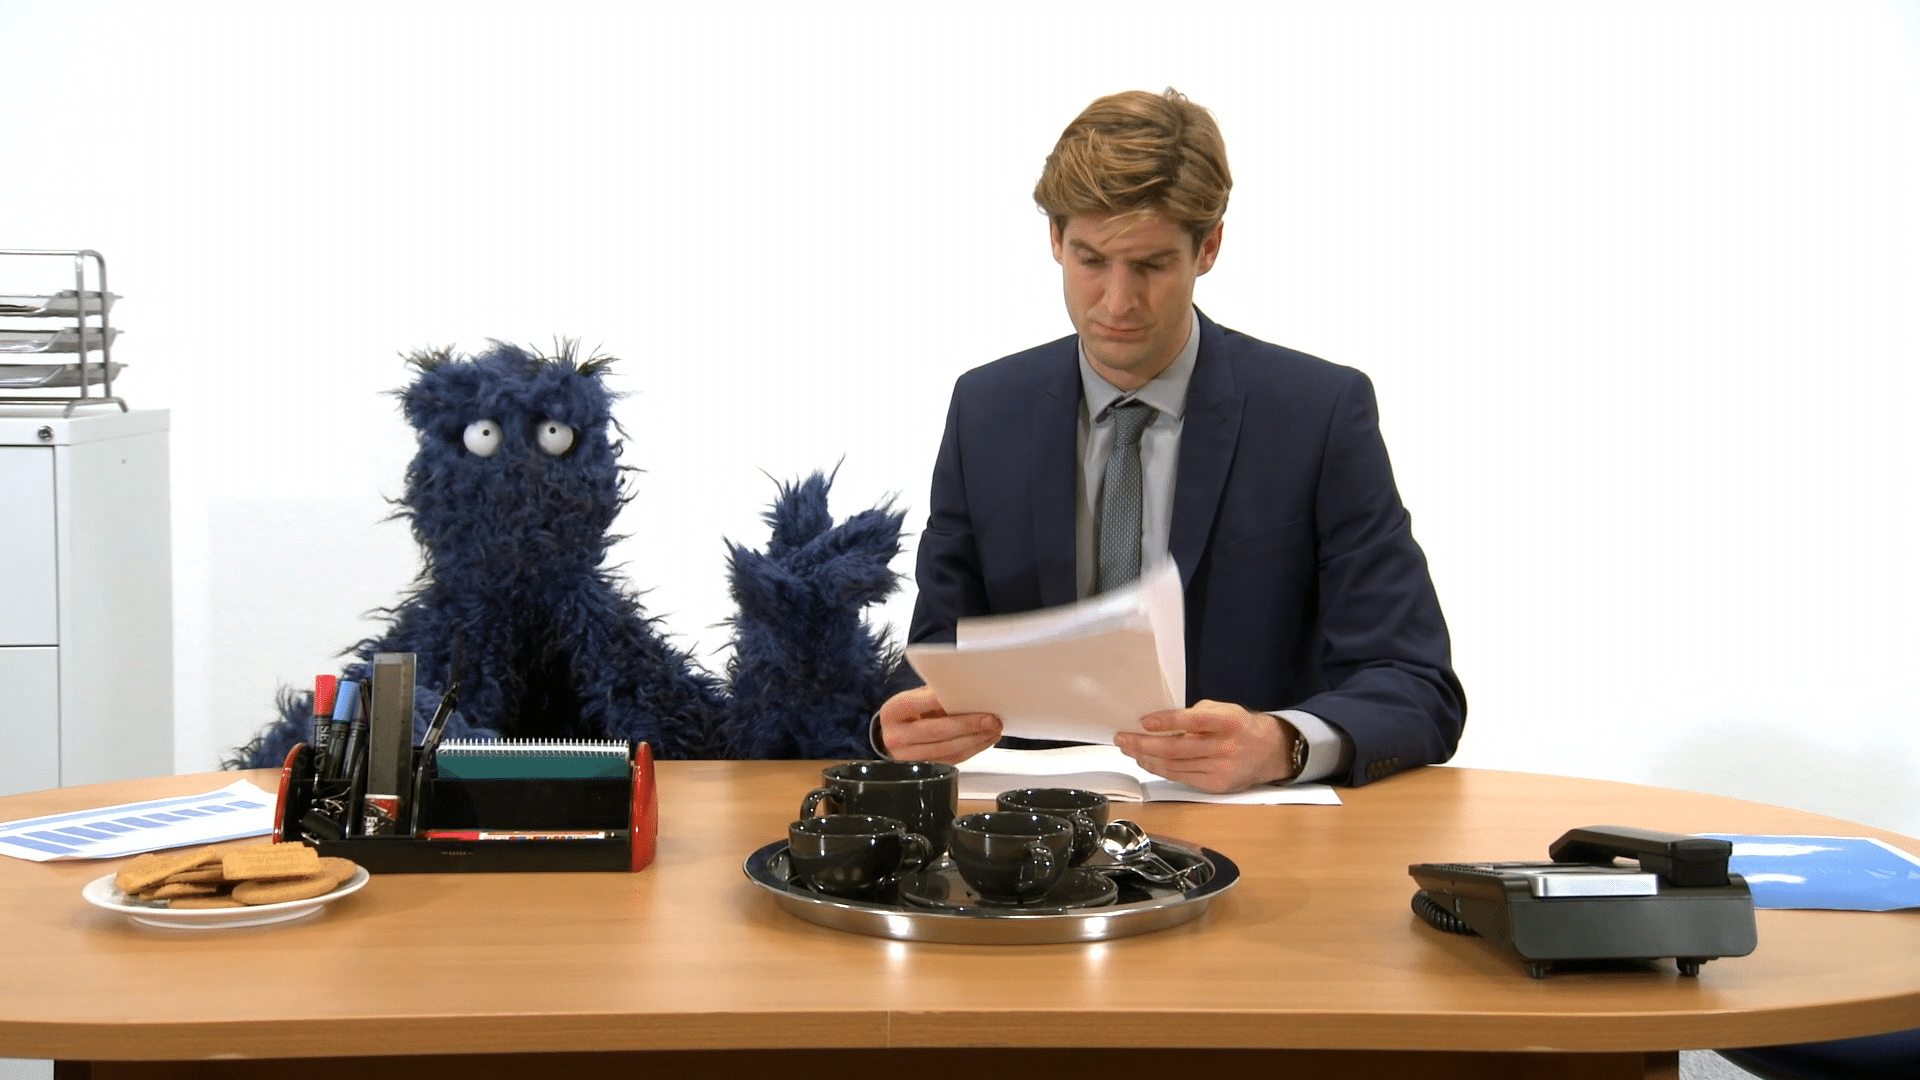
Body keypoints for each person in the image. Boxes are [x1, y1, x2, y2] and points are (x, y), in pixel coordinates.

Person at [877, 88, 1464, 792]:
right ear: (1055, 240)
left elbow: (1415, 685)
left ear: (1208, 247)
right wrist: (903, 725)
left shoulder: (1318, 415)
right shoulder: (984, 411)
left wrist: (1285, 744)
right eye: (1092, 260)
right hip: (1033, 844)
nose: (1117, 303)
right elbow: (940, 658)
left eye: (1151, 265)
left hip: (1254, 836)